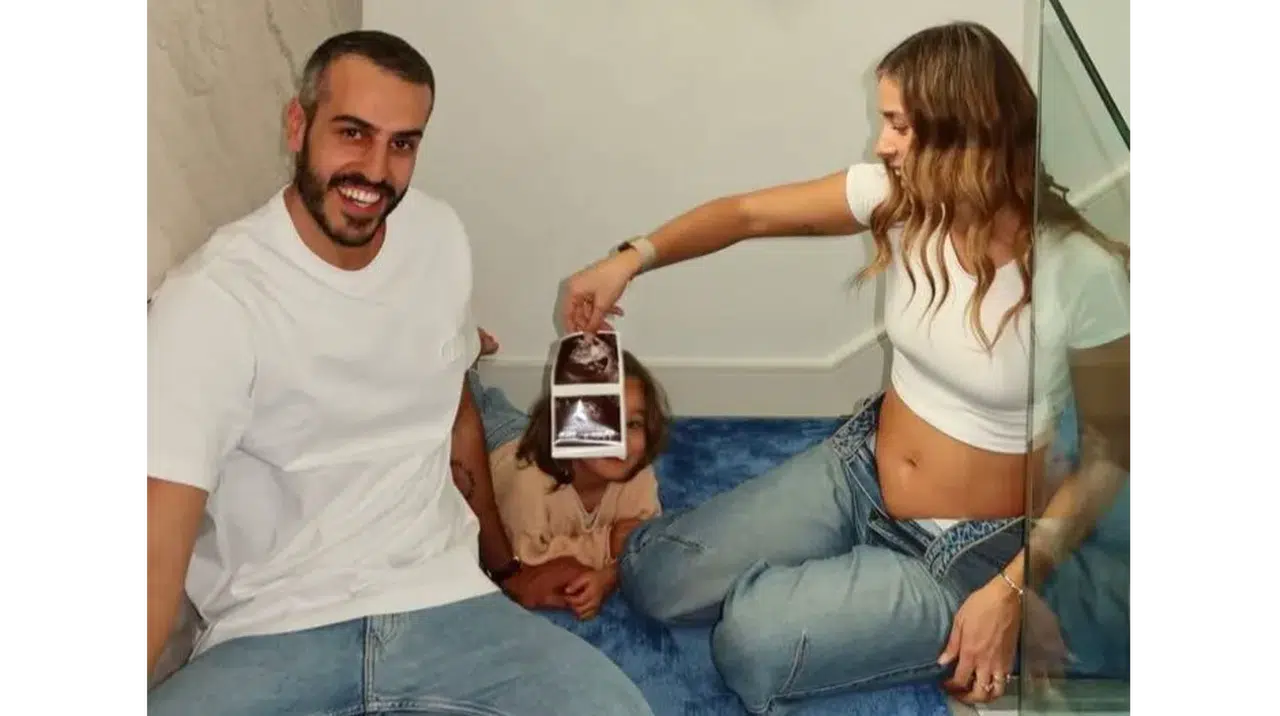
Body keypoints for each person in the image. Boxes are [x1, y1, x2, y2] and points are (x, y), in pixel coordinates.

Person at [561, 21, 1135, 712]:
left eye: (899, 125)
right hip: (861, 471)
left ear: (965, 131)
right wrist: (630, 259)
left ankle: (987, 621)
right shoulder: (906, 201)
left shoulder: (1079, 270)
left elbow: (1111, 454)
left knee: (751, 645)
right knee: (653, 574)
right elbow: (746, 214)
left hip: (968, 548)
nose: (882, 144)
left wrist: (1012, 587)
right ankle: (878, 613)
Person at [143, 30, 653, 716]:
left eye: (402, 143)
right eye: (352, 133)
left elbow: (457, 412)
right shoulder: (212, 302)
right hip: (273, 627)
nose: (375, 170)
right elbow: (155, 548)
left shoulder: (438, 237)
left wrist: (506, 569)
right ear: (297, 125)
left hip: (443, 599)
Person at [464, 342, 671, 621]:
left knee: (499, 407)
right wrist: (606, 545)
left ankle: (469, 357)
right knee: (464, 400)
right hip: (497, 445)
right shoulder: (529, 487)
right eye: (602, 422)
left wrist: (608, 577)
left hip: (528, 436)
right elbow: (527, 564)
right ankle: (468, 355)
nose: (619, 441)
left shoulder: (637, 473)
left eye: (633, 424)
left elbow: (645, 545)